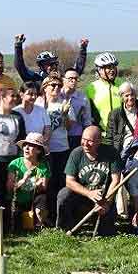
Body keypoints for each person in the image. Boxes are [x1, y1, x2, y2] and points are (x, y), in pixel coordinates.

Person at [56, 126, 121, 234]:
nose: (85, 144)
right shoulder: (76, 153)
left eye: (90, 141)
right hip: (81, 197)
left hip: (103, 198)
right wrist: (89, 193)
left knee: (106, 233)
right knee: (63, 194)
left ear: (99, 141)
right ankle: (63, 228)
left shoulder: (111, 153)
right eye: (83, 139)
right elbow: (69, 181)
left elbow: (116, 180)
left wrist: (107, 202)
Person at [38, 76, 79, 218]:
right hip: (44, 151)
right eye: (52, 85)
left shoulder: (65, 103)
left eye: (58, 85)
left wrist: (65, 114)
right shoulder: (39, 104)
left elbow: (69, 127)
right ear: (45, 87)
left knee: (61, 182)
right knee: (47, 183)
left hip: (62, 149)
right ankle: (47, 214)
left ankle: (61, 213)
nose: (56, 88)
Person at [7, 134, 50, 229]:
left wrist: (38, 185)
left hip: (32, 202)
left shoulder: (43, 167)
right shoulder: (15, 164)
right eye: (25, 145)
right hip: (17, 201)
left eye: (31, 145)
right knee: (17, 226)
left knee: (43, 198)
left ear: (38, 150)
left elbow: (44, 188)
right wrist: (23, 180)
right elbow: (9, 188)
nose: (26, 147)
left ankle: (39, 225)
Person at [86, 52, 126, 150]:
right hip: (102, 137)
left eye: (113, 67)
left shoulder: (123, 85)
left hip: (123, 136)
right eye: (108, 67)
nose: (112, 70)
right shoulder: (91, 88)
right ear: (99, 70)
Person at [12, 34, 89, 82]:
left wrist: (83, 50)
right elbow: (20, 67)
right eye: (49, 64)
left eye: (55, 63)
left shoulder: (61, 78)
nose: (53, 66)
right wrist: (18, 46)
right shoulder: (35, 78)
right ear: (41, 66)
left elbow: (77, 71)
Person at [61, 68, 92, 149]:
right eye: (70, 78)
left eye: (76, 79)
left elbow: (87, 121)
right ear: (63, 79)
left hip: (76, 136)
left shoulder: (83, 98)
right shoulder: (57, 95)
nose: (73, 81)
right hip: (59, 136)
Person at [111, 82, 138, 158]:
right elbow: (110, 137)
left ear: (136, 95)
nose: (130, 98)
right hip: (123, 150)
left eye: (132, 94)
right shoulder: (115, 114)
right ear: (121, 97)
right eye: (126, 95)